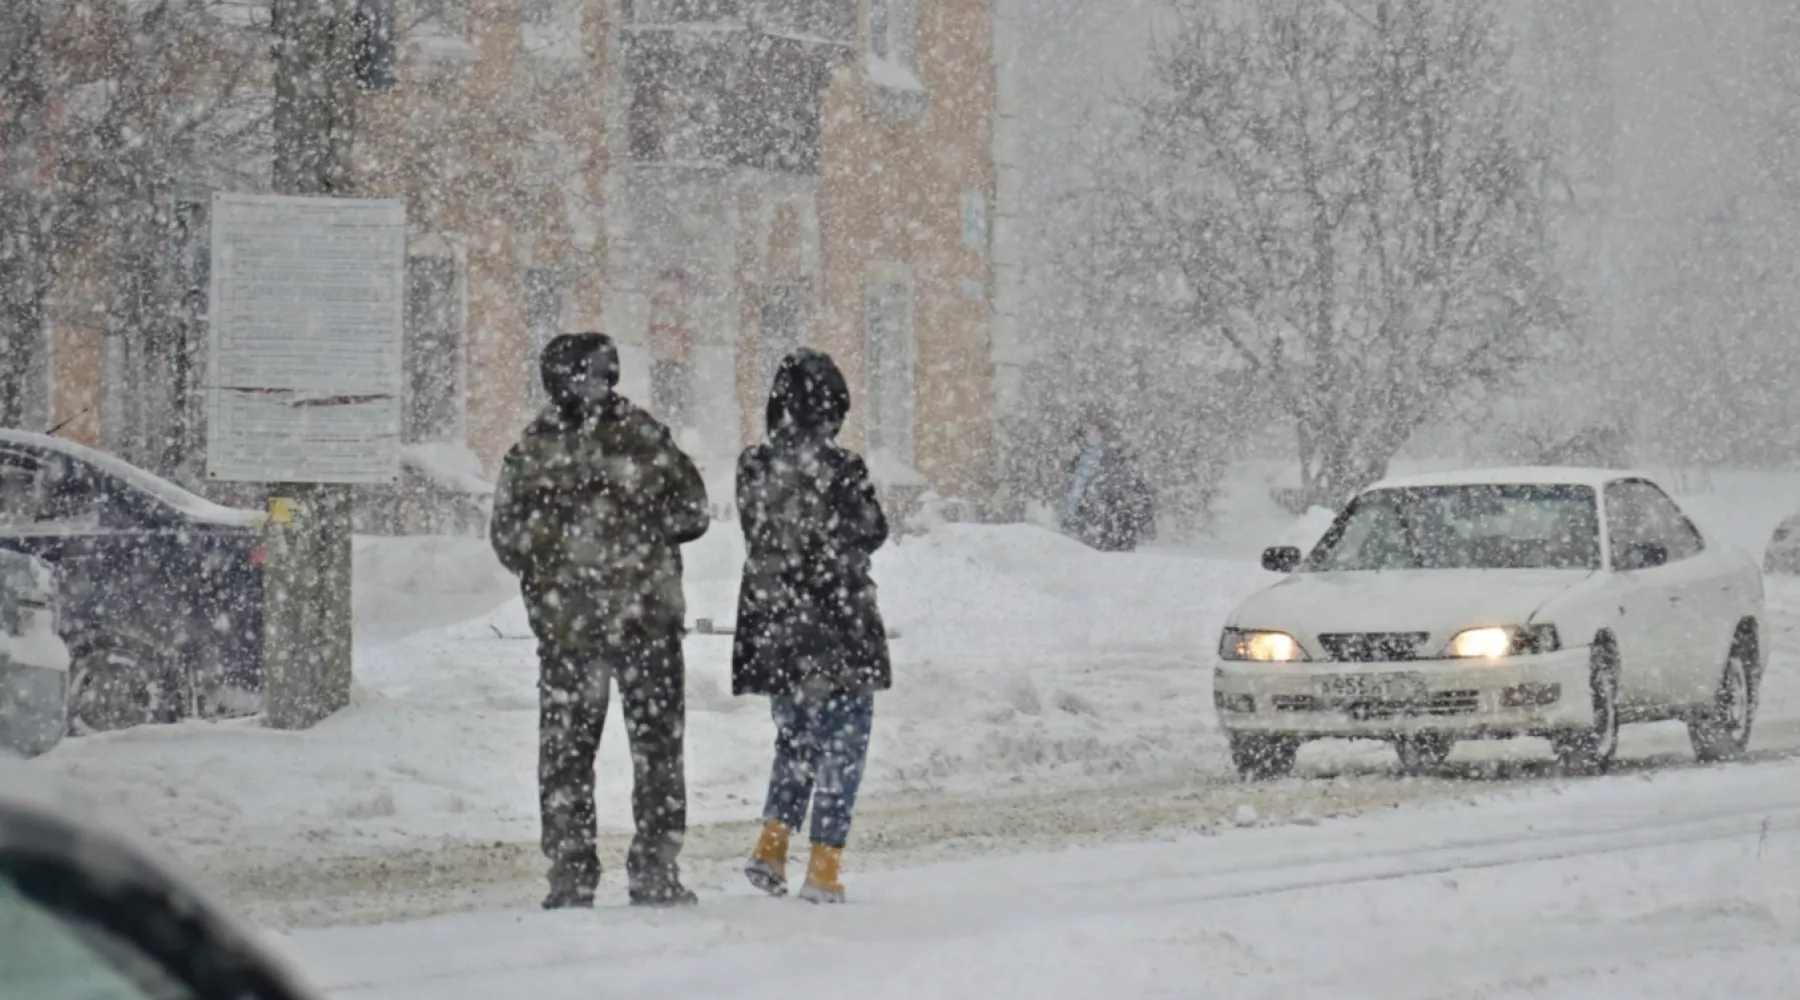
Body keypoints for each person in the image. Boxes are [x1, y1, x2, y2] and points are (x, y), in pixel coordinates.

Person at [489, 332, 710, 909]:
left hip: (570, 631)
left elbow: (508, 539)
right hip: (645, 622)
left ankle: (571, 876)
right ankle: (655, 873)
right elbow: (693, 511)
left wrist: (557, 567)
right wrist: (638, 538)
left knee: (566, 757)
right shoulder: (643, 435)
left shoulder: (535, 448)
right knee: (657, 750)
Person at [733, 349, 891, 904]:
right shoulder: (843, 468)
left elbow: (760, 534)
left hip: (778, 630)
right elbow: (872, 531)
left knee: (795, 740)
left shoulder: (753, 465)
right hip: (839, 628)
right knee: (842, 748)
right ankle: (823, 869)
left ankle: (771, 847)